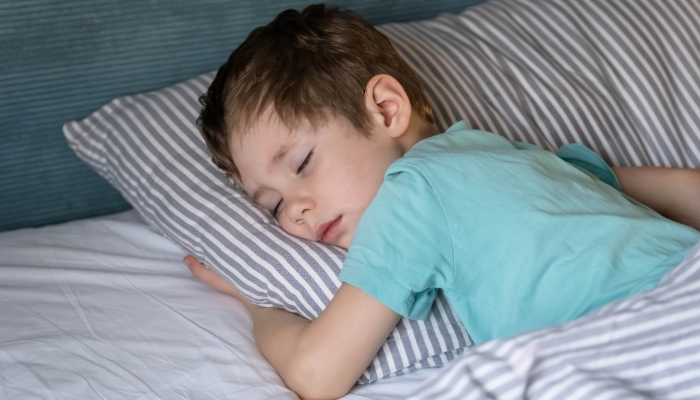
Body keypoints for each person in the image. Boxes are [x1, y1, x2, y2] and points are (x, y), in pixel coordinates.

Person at [186, 4, 700, 399]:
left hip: (633, 331)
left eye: (301, 165)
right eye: (273, 206)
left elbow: (316, 373)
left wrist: (251, 298)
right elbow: (682, 187)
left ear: (387, 111)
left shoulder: (409, 194)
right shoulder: (516, 155)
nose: (294, 209)